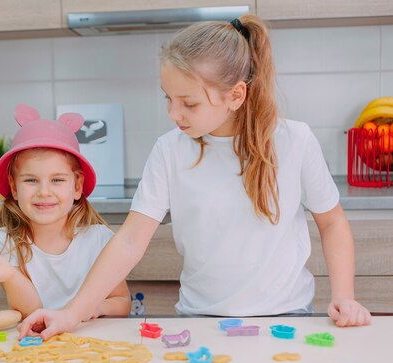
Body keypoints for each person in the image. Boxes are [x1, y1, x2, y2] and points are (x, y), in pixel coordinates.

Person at [19, 15, 372, 339]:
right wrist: (72, 313)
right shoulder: (170, 150)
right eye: (168, 99)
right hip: (200, 320)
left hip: (286, 318)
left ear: (235, 95)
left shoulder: (295, 141)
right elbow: (130, 241)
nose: (174, 113)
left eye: (189, 103)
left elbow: (332, 223)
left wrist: (344, 297)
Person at [0, 104, 131, 318]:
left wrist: (92, 308)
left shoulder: (99, 239)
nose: (44, 192)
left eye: (57, 180)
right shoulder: (4, 242)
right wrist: (10, 275)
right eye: (31, 180)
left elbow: (122, 303)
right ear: (14, 187)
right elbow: (32, 312)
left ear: (77, 186)